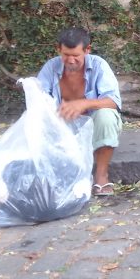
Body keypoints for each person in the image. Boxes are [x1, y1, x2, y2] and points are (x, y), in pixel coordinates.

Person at [37, 27, 122, 196]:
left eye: (76, 56)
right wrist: (53, 110)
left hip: (92, 127)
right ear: (58, 49)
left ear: (87, 50)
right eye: (66, 55)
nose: (70, 60)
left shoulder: (99, 66)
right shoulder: (50, 68)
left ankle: (101, 176)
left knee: (107, 115)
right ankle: (60, 177)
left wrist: (82, 103)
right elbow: (38, 101)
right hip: (62, 127)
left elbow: (113, 102)